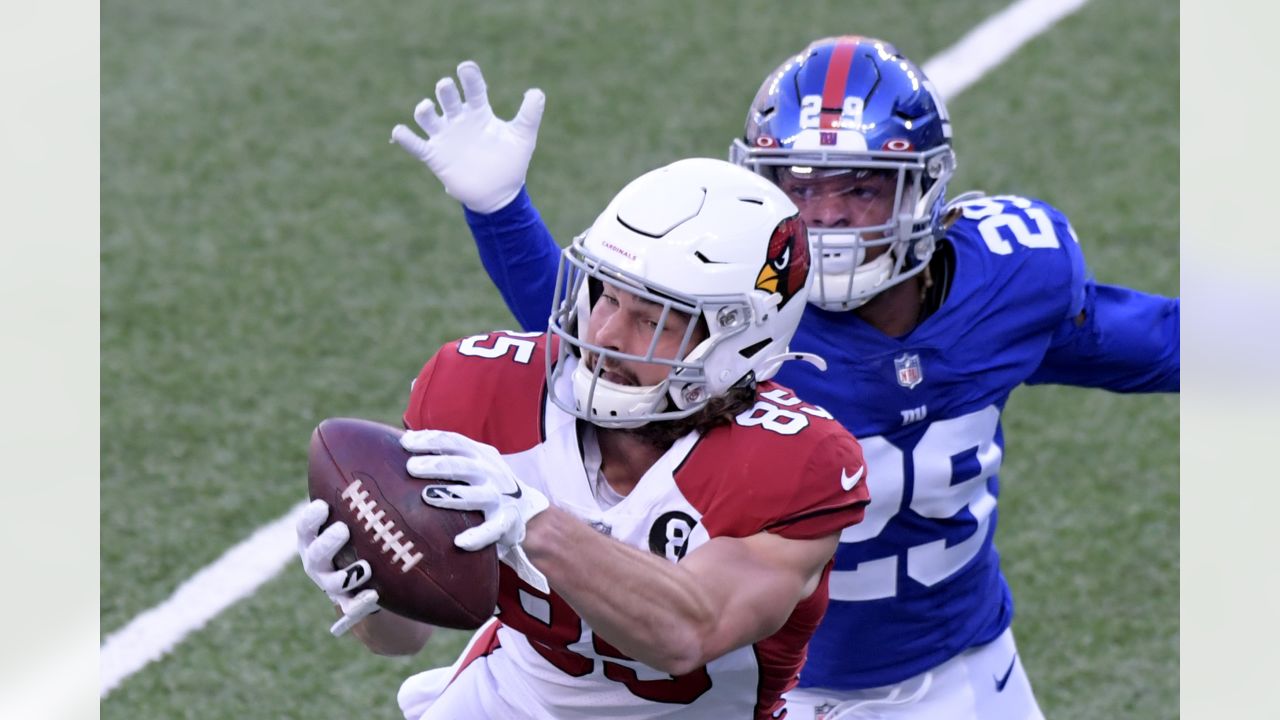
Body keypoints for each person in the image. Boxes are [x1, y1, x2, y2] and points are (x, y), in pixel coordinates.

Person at [388, 37, 1180, 720]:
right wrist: (499, 210)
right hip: (765, 678)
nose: (826, 218)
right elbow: (600, 339)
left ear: (924, 190)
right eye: (799, 186)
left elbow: (1147, 341)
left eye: (861, 188)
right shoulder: (722, 322)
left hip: (957, 666)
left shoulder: (1007, 286)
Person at [298, 157, 872, 719]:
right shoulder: (479, 389)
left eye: (654, 321)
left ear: (739, 343)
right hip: (514, 698)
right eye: (605, 295)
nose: (606, 335)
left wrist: (535, 520)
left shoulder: (795, 463)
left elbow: (689, 634)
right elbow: (403, 639)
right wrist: (366, 586)